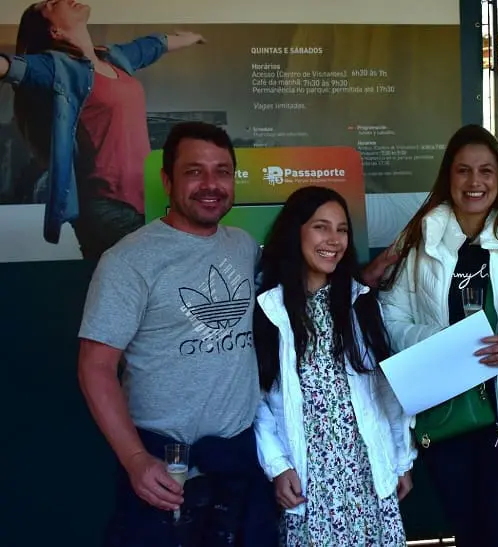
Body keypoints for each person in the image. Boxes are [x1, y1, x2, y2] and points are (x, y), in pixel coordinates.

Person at [77, 121, 275, 546]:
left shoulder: (243, 246)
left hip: (240, 459)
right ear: (167, 181)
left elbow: (305, 290)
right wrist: (135, 459)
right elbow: (95, 367)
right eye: (194, 172)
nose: (211, 185)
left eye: (222, 171)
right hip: (163, 464)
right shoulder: (129, 261)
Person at [375, 124, 498, 547]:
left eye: (486, 171)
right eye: (463, 170)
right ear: (449, 176)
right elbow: (390, 316)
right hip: (448, 416)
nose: (474, 181)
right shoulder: (418, 238)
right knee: (468, 535)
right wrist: (442, 342)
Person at [253, 185, 416, 546]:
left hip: (366, 474)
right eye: (320, 227)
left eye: (342, 229)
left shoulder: (360, 303)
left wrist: (401, 459)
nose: (334, 240)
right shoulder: (271, 310)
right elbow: (258, 401)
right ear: (295, 231)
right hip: (309, 483)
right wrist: (278, 465)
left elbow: (386, 392)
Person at [0, 0, 205, 259]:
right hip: (105, 204)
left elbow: (152, 46)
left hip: (143, 199)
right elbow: (11, 67)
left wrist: (189, 38)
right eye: (51, 4)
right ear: (55, 31)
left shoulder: (114, 58)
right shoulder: (56, 67)